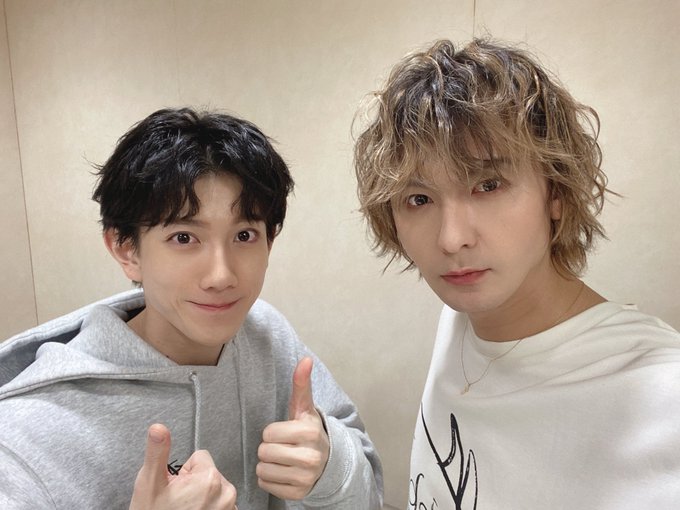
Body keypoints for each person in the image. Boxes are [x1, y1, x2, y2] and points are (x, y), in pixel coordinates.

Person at [0, 107, 383, 509]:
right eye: (184, 237)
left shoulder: (267, 336)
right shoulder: (26, 437)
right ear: (126, 249)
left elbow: (370, 493)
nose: (221, 276)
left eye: (245, 235)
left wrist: (331, 469)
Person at [353, 38, 680, 509]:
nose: (451, 239)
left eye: (488, 185)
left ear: (556, 192)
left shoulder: (661, 393)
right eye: (419, 199)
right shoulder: (462, 320)